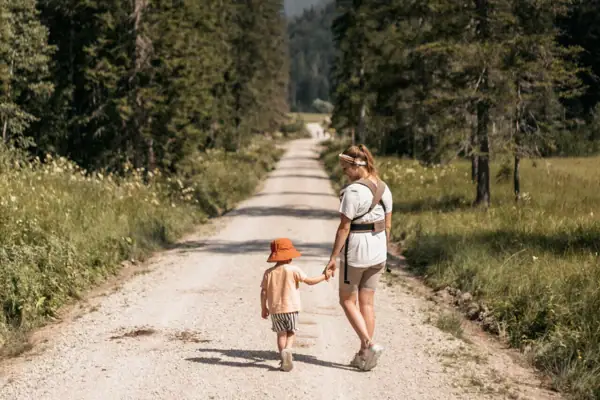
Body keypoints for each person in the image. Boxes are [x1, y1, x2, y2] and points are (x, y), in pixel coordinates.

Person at [324, 144, 393, 371]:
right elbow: (388, 225)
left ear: (356, 166)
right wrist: (383, 249)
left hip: (356, 252)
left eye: (345, 168)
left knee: (347, 300)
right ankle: (364, 355)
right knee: (368, 304)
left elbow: (344, 228)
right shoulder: (384, 189)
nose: (344, 172)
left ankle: (368, 344)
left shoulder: (352, 192)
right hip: (378, 250)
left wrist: (333, 257)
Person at [260, 238, 329, 372]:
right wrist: (324, 276)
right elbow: (309, 281)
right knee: (291, 332)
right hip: (291, 308)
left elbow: (263, 292)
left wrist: (264, 307)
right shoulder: (293, 270)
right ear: (289, 257)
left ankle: (282, 357)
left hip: (275, 310)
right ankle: (288, 350)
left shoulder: (268, 273)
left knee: (281, 334)